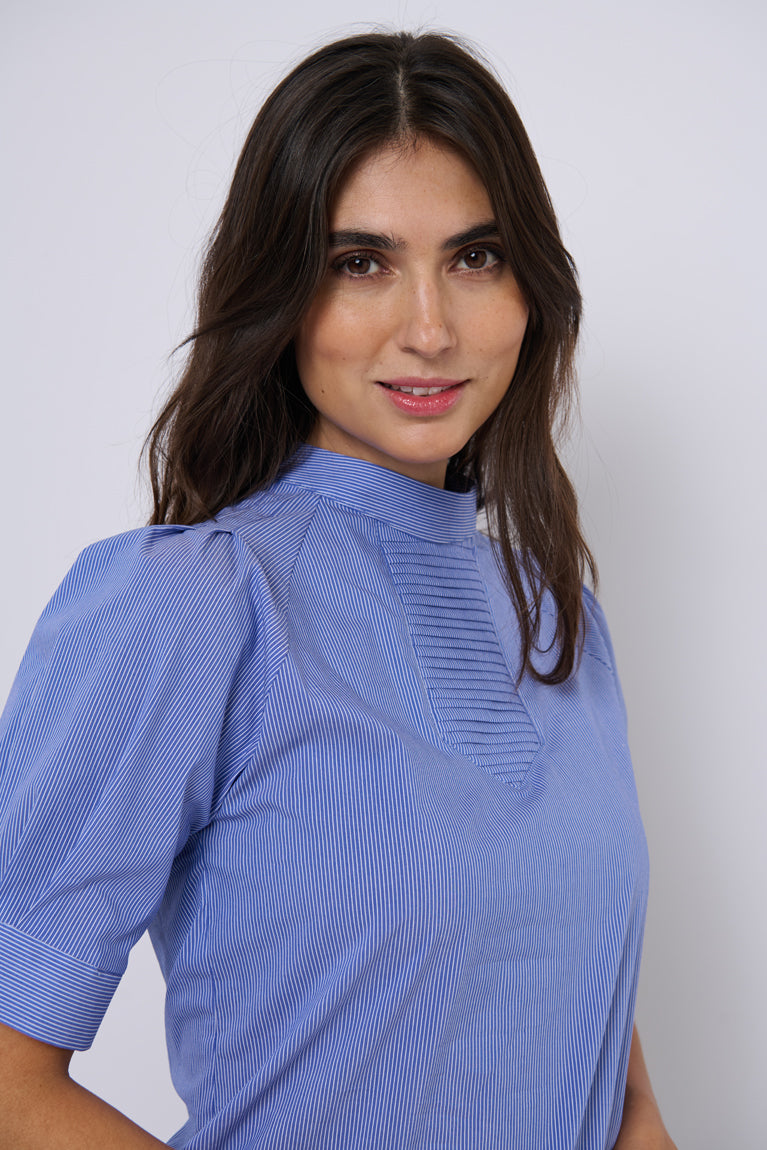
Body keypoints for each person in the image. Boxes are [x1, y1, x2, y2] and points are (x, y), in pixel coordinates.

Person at [0, 30, 675, 1150]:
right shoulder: (195, 603)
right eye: (359, 263)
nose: (429, 329)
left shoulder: (554, 614)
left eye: (475, 257)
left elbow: (590, 1031)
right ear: (279, 294)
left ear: (530, 288)